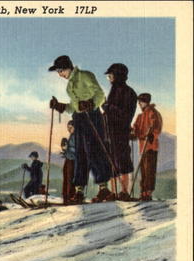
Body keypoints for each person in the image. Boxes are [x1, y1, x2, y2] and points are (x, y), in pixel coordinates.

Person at [48, 55, 113, 203]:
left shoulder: (85, 76)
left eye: (60, 71)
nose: (59, 74)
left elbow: (100, 94)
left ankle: (104, 189)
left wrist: (90, 104)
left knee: (95, 151)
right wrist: (60, 106)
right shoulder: (69, 85)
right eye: (58, 72)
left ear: (67, 68)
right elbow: (74, 107)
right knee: (80, 154)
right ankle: (79, 191)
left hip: (93, 117)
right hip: (80, 119)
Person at [103, 63, 138, 201]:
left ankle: (124, 191)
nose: (109, 78)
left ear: (118, 75)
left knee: (122, 161)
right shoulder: (114, 90)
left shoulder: (128, 93)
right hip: (110, 131)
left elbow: (125, 115)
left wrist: (109, 108)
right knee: (111, 161)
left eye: (110, 75)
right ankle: (114, 191)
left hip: (121, 131)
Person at [131, 93, 163, 201]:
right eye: (138, 102)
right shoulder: (140, 116)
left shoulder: (153, 112)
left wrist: (152, 134)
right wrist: (132, 134)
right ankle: (143, 192)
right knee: (143, 170)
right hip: (142, 147)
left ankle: (148, 192)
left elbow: (157, 126)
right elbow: (135, 128)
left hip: (151, 146)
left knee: (149, 170)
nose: (139, 104)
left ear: (146, 101)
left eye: (141, 101)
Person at [61, 121, 77, 204]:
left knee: (70, 178)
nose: (69, 129)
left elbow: (76, 149)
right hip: (68, 158)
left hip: (73, 160)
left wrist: (67, 148)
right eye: (68, 127)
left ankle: (70, 196)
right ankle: (66, 196)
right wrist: (65, 149)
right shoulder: (72, 136)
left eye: (70, 127)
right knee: (66, 176)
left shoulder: (76, 136)